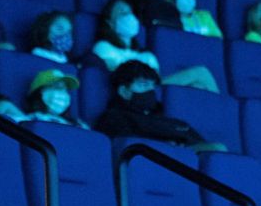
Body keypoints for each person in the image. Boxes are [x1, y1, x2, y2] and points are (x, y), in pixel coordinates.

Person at [95, 61, 226, 152]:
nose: (150, 91)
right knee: (218, 149)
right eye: (143, 85)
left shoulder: (174, 123)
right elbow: (127, 148)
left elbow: (201, 145)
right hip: (159, 162)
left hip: (188, 165)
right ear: (124, 91)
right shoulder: (114, 118)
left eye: (152, 87)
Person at [93, 0, 219, 92]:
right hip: (131, 90)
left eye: (130, 12)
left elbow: (156, 81)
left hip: (152, 91)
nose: (129, 17)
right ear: (109, 23)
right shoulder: (103, 47)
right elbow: (117, 76)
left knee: (199, 87)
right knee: (201, 73)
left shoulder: (147, 55)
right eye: (122, 13)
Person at [21, 69, 90, 128]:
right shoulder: (28, 121)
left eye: (64, 89)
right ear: (39, 92)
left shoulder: (78, 125)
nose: (62, 94)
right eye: (56, 87)